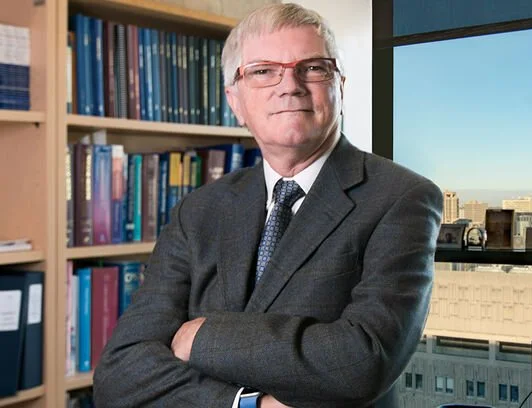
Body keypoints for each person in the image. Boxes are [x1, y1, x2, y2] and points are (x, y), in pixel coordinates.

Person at [93, 4, 443, 408]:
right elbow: (120, 373)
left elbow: (364, 359)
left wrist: (202, 336)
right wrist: (245, 404)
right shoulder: (200, 210)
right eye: (263, 71)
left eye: (312, 68)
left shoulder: (401, 197)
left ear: (340, 87)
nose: (289, 85)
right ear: (235, 101)